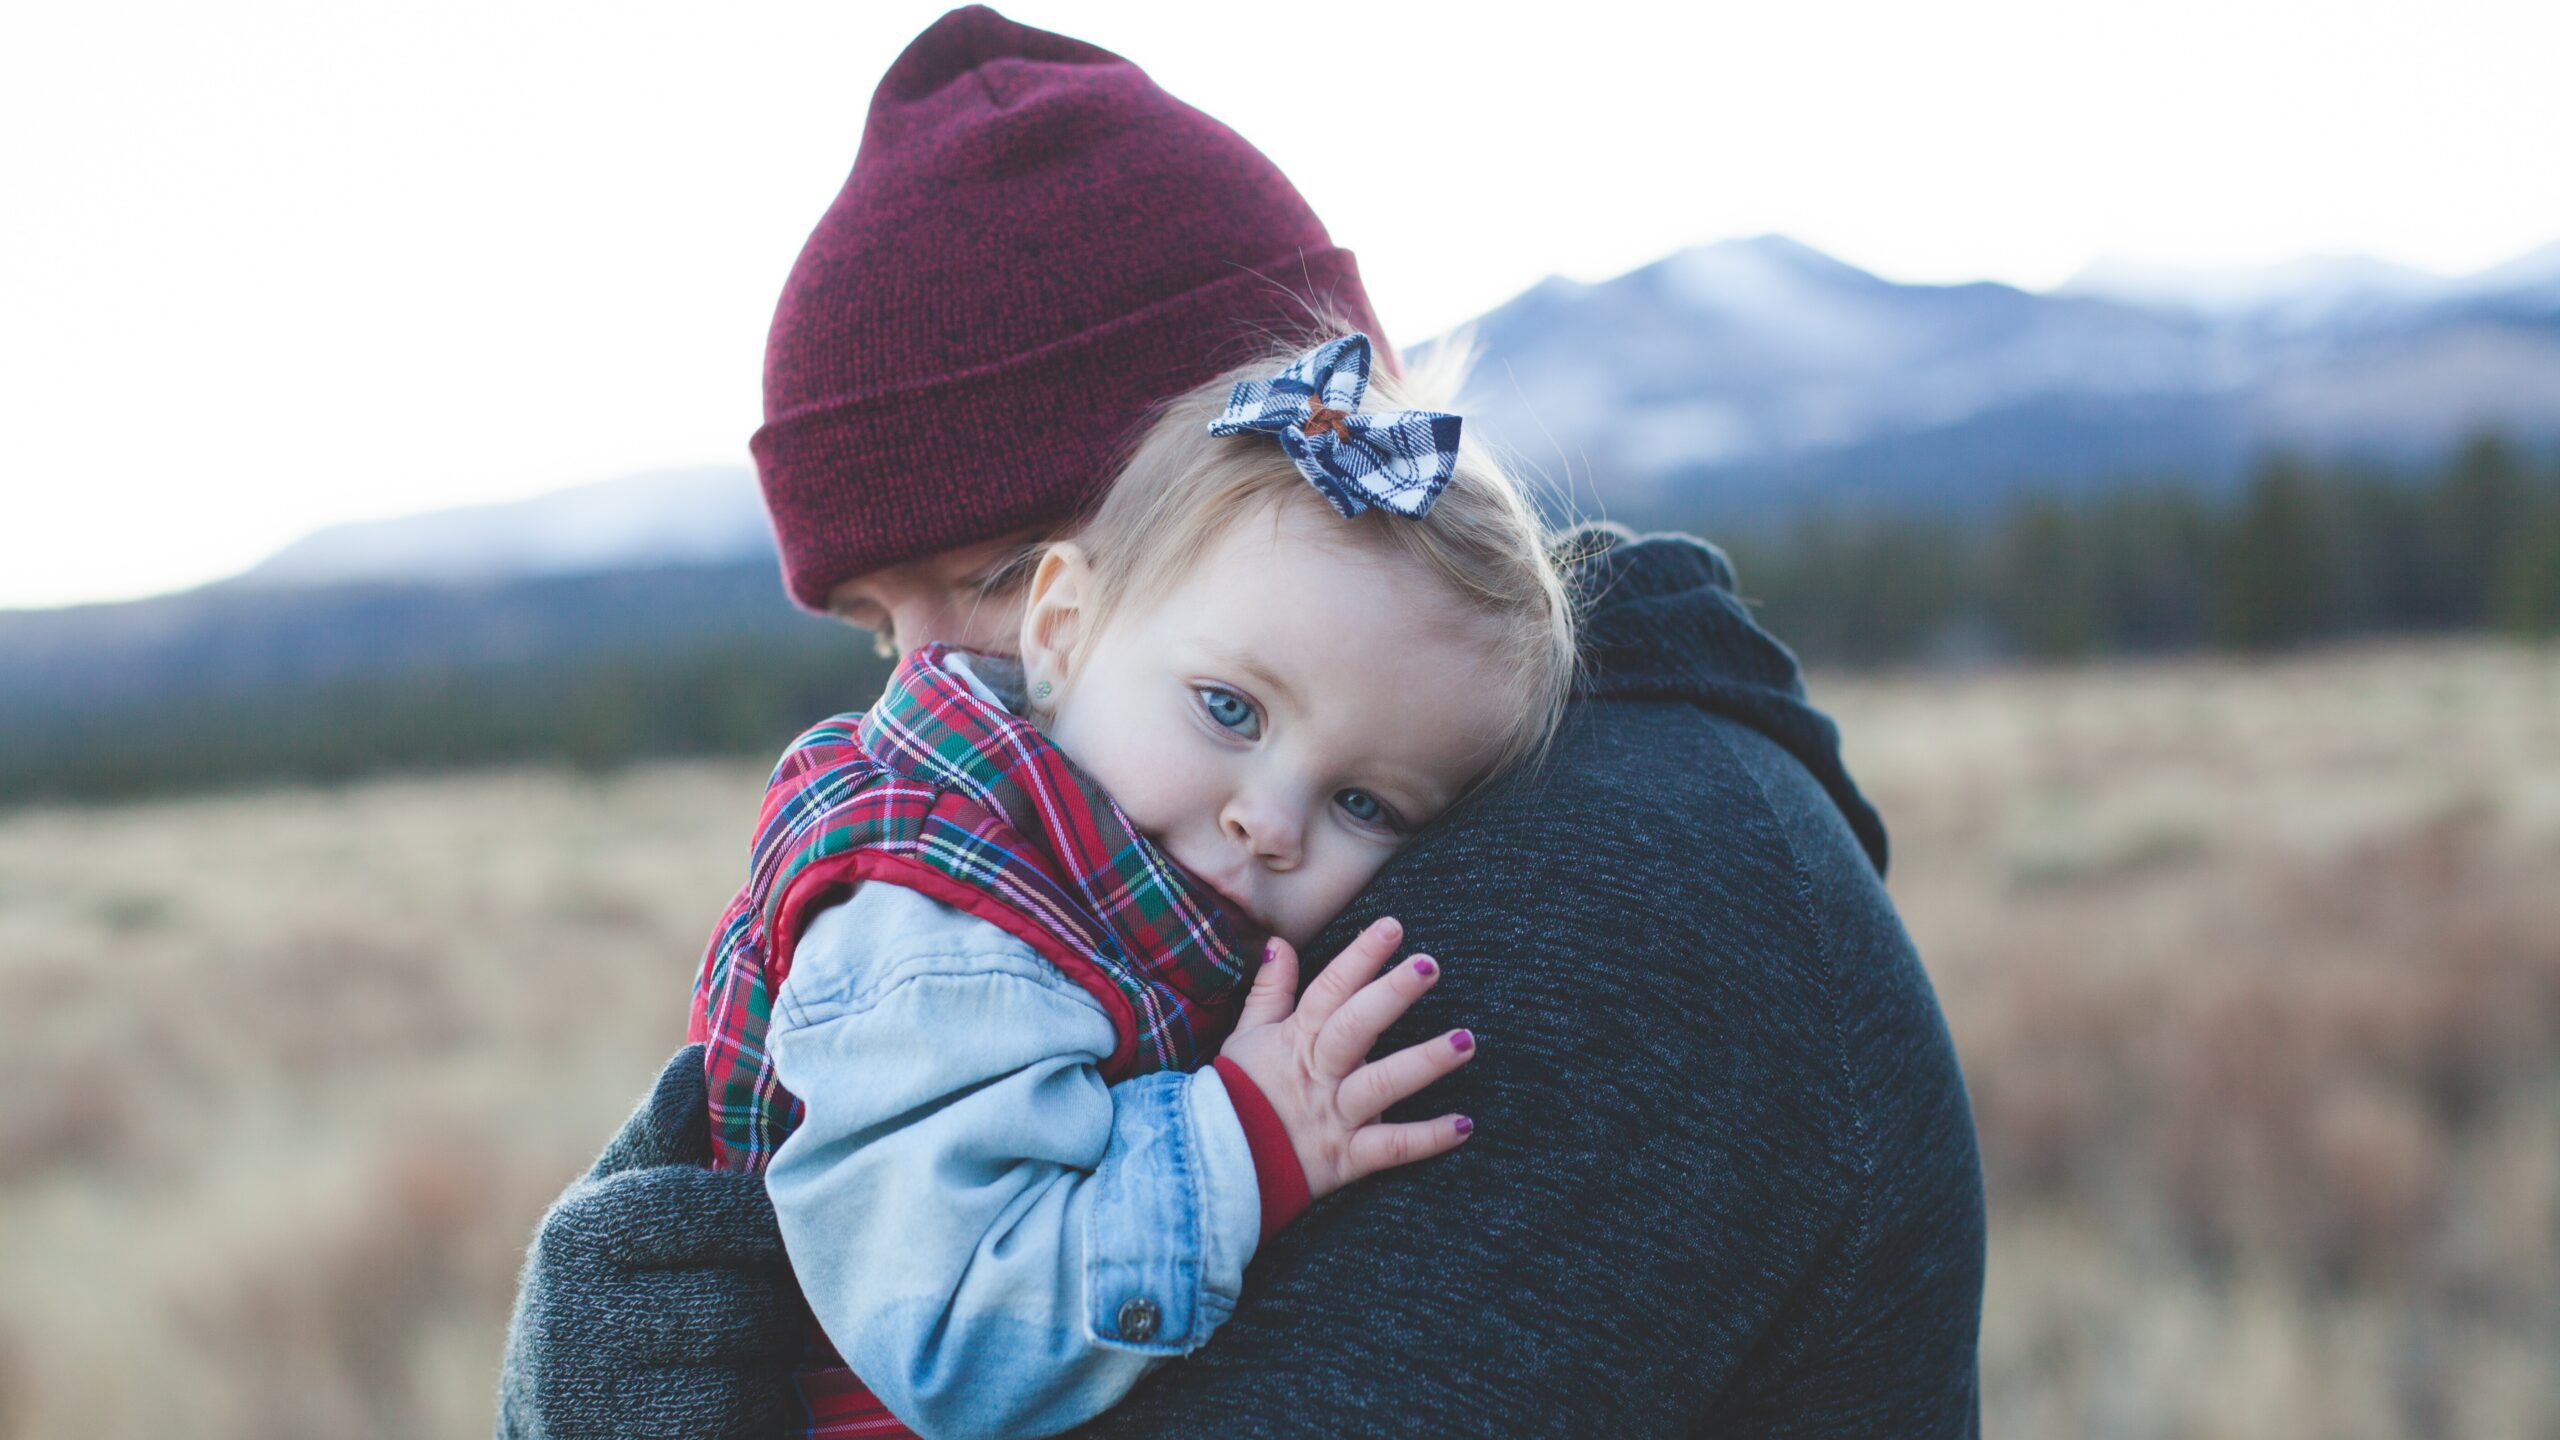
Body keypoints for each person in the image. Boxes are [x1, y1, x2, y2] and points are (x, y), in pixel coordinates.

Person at [498, 8, 1985, 1438]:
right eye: (882, 627)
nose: (924, 691)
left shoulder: (1602, 904)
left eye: (1003, 580)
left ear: (1299, 473)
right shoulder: (1150, 876)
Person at [694, 333, 1575, 1437]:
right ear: (1061, 631)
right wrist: (1245, 1134)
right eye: (1229, 709)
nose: (1271, 821)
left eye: (1366, 804)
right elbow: (958, 1339)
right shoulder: (942, 929)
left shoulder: (1117, 886)